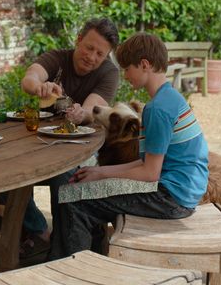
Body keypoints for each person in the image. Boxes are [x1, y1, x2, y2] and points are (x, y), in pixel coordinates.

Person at [48, 32, 209, 259]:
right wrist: (99, 172)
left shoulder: (157, 109)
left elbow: (150, 173)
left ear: (144, 64)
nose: (125, 75)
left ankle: (74, 270)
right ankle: (87, 259)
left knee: (74, 200)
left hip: (169, 198)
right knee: (79, 192)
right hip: (182, 193)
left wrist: (102, 174)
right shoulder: (171, 97)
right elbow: (148, 163)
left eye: (127, 68)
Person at [17, 17, 120, 259]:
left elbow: (90, 110)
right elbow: (29, 77)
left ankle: (63, 250)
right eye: (89, 48)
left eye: (100, 53)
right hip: (43, 142)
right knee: (5, 176)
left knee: (63, 177)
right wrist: (39, 87)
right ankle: (39, 230)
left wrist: (80, 113)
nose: (92, 57)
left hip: (85, 148)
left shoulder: (109, 72)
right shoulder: (58, 57)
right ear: (78, 40)